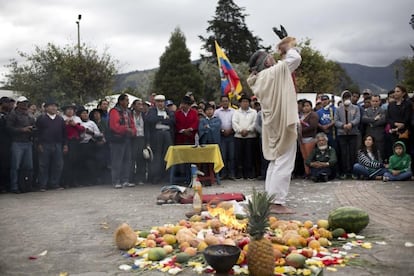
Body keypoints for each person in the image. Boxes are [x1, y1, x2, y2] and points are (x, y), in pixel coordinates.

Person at [247, 46, 301, 214]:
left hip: (271, 123)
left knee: (275, 160)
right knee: (284, 160)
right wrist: (289, 47)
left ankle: (270, 198)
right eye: (270, 57)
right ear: (266, 61)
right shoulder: (273, 73)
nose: (273, 58)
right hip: (282, 121)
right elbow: (296, 59)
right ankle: (277, 202)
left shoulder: (259, 78)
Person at [6, 96, 36, 193]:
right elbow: (9, 129)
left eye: (26, 103)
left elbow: (34, 127)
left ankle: (26, 186)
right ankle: (14, 187)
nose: (25, 104)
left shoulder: (29, 115)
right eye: (23, 103)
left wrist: (32, 129)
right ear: (18, 104)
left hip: (27, 142)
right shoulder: (13, 114)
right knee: (15, 166)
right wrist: (22, 130)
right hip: (17, 143)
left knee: (29, 166)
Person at [36, 100, 67, 191]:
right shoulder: (41, 118)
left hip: (58, 144)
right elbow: (37, 132)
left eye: (55, 106)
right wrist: (39, 144)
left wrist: (65, 144)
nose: (53, 108)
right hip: (45, 144)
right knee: (43, 165)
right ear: (46, 108)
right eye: (51, 106)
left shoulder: (60, 119)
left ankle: (54, 183)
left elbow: (64, 133)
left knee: (58, 165)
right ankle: (43, 185)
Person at [145, 94, 175, 184]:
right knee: (157, 156)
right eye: (158, 102)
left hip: (167, 133)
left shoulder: (168, 111)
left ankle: (166, 176)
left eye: (162, 102)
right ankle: (156, 177)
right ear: (155, 103)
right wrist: (163, 118)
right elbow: (151, 119)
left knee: (167, 155)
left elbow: (172, 121)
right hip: (157, 134)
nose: (160, 104)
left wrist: (160, 120)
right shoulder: (152, 111)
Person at [108, 94, 137, 189]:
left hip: (127, 138)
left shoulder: (128, 112)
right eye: (126, 100)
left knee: (127, 160)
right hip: (117, 139)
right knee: (117, 161)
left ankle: (125, 180)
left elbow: (132, 123)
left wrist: (133, 131)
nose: (128, 102)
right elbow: (114, 126)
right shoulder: (114, 111)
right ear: (121, 101)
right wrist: (126, 129)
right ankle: (116, 181)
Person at [335, 90, 360, 179]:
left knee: (353, 153)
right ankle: (344, 172)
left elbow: (357, 119)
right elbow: (336, 121)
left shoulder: (355, 108)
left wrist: (351, 124)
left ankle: (353, 172)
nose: (347, 99)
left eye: (348, 97)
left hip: (353, 133)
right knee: (343, 153)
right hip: (342, 134)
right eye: (345, 97)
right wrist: (343, 125)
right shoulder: (338, 109)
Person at [232, 95, 257, 179]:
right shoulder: (236, 112)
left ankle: (249, 173)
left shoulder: (253, 112)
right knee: (239, 156)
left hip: (250, 137)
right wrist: (240, 130)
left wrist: (248, 130)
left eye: (246, 102)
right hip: (239, 137)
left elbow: (254, 123)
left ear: (249, 103)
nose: (245, 103)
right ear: (240, 103)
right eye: (243, 102)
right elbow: (234, 123)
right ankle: (239, 173)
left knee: (249, 156)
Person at [77, 108, 103, 186]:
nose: (85, 115)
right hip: (80, 145)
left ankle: (92, 180)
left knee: (91, 163)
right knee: (82, 163)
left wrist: (90, 132)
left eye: (86, 113)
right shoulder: (78, 123)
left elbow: (98, 134)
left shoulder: (91, 123)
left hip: (90, 144)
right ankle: (83, 181)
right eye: (83, 113)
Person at [61, 104, 84, 188]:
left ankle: (74, 181)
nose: (70, 111)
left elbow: (82, 129)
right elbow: (62, 131)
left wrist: (75, 125)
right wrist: (66, 124)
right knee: (67, 162)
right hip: (67, 142)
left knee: (75, 162)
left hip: (76, 142)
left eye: (72, 109)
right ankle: (66, 182)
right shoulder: (61, 118)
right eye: (68, 109)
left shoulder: (77, 119)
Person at [214, 95, 236, 180]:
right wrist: (222, 130)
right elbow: (215, 123)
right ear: (220, 102)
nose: (225, 102)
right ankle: (223, 174)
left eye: (226, 101)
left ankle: (231, 174)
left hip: (231, 135)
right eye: (223, 101)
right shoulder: (217, 112)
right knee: (223, 155)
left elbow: (235, 122)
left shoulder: (234, 111)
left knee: (231, 155)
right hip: (221, 136)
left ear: (229, 101)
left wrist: (231, 130)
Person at [386, 85, 412, 150]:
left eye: (398, 91)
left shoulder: (408, 104)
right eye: (395, 91)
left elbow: (408, 118)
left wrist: (402, 125)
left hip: (404, 133)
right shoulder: (391, 104)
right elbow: (388, 118)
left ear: (403, 93)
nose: (395, 93)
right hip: (392, 132)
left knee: (404, 150)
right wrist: (395, 124)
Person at [299, 100, 319, 177]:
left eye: (308, 105)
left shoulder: (313, 115)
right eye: (304, 106)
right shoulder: (301, 116)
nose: (306, 107)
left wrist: (301, 130)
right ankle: (307, 172)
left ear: (311, 106)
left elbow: (312, 126)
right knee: (304, 157)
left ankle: (312, 172)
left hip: (310, 138)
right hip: (301, 139)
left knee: (310, 156)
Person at [130, 99, 147, 185]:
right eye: (138, 104)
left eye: (141, 104)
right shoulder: (129, 115)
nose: (141, 106)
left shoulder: (144, 115)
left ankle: (140, 178)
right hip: (133, 138)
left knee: (141, 159)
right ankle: (131, 178)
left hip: (142, 138)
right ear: (133, 106)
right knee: (132, 158)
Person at [0, 97, 13, 193]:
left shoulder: (9, 115)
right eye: (8, 103)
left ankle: (5, 185)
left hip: (7, 143)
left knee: (6, 165)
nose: (10, 105)